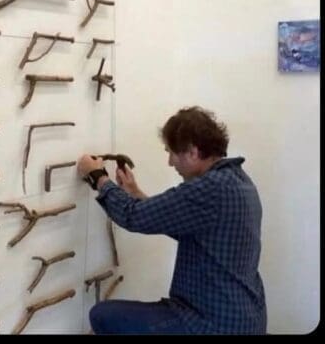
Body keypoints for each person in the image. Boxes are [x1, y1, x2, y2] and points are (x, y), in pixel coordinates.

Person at [77, 106, 267, 335]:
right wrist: (135, 193)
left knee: (103, 316)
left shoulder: (209, 189)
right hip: (245, 318)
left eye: (172, 153)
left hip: (211, 323)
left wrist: (98, 177)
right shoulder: (237, 180)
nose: (170, 162)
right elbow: (180, 221)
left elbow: (132, 216)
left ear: (193, 152)